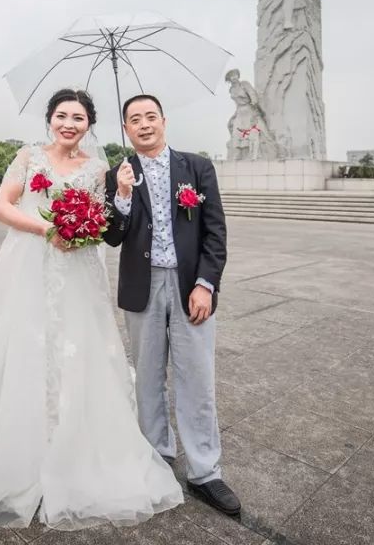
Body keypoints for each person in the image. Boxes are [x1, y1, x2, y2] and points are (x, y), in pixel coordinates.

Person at [0, 88, 182, 532]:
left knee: (79, 349)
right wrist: (47, 227)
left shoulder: (98, 168)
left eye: (78, 117)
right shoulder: (29, 156)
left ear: (89, 124)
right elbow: (0, 207)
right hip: (29, 263)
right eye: (62, 115)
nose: (69, 123)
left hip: (77, 268)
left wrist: (108, 204)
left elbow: (108, 220)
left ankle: (78, 446)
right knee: (25, 346)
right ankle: (21, 451)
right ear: (50, 119)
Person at [104, 94, 241, 518]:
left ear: (163, 120)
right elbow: (112, 235)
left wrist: (205, 284)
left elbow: (215, 230)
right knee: (146, 377)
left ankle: (205, 471)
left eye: (150, 116)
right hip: (142, 288)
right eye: (134, 119)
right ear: (126, 129)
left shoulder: (196, 167)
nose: (144, 124)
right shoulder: (118, 173)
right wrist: (123, 194)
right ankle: (156, 458)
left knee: (196, 377)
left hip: (188, 286)